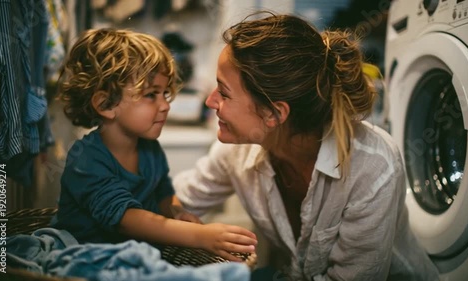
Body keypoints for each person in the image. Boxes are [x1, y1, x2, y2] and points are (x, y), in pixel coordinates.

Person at [173, 12, 441, 280]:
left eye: (224, 92)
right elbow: (177, 200)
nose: (209, 101)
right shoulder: (236, 152)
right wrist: (191, 231)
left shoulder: (373, 167)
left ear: (274, 114)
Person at [50, 28, 257, 262]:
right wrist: (200, 236)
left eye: (165, 93)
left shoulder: (149, 148)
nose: (165, 105)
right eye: (151, 95)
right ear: (106, 104)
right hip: (83, 257)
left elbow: (163, 194)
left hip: (132, 257)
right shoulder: (86, 159)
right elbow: (126, 220)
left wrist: (177, 211)